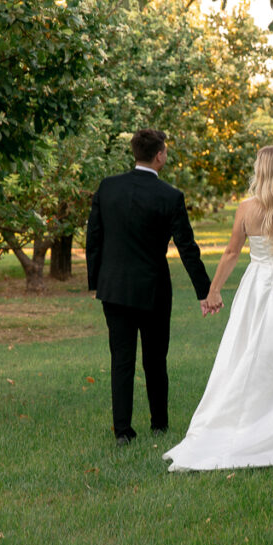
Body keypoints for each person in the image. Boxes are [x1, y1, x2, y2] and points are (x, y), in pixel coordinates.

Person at [164, 145, 273, 471]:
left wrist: (213, 291)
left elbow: (232, 252)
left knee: (249, 350)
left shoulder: (246, 208)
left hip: (256, 287)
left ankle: (245, 416)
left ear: (261, 171)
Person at [86, 129, 216, 447]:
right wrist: (205, 291)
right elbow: (187, 247)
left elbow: (94, 238)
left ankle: (123, 432)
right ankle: (159, 424)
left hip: (114, 288)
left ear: (135, 153)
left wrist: (95, 282)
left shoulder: (107, 187)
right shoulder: (170, 196)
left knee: (121, 358)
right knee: (155, 359)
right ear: (159, 155)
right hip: (153, 289)